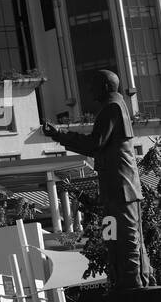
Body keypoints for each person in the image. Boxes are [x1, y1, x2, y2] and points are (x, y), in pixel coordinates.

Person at [41, 71, 154, 290]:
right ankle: (128, 280)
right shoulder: (114, 107)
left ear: (104, 87)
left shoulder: (111, 108)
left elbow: (94, 144)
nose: (89, 91)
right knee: (115, 236)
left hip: (120, 187)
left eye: (92, 85)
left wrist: (60, 134)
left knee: (125, 236)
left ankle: (132, 283)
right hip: (115, 187)